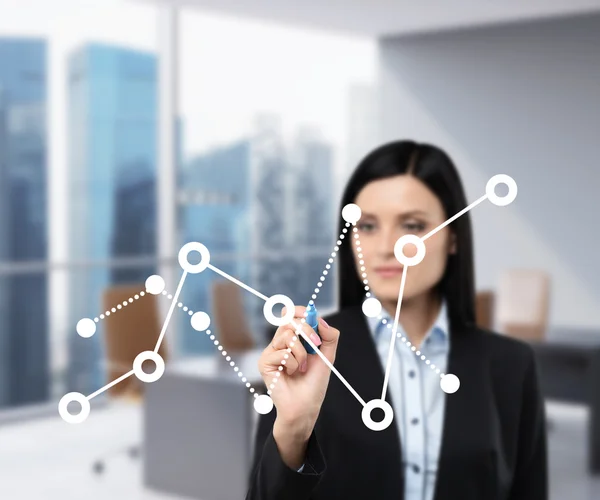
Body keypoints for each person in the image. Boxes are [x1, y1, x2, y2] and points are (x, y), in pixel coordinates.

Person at [245, 140, 548, 500]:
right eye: (368, 226)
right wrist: (292, 429)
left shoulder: (511, 366)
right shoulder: (307, 356)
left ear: (453, 237)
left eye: (413, 225)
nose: (386, 247)